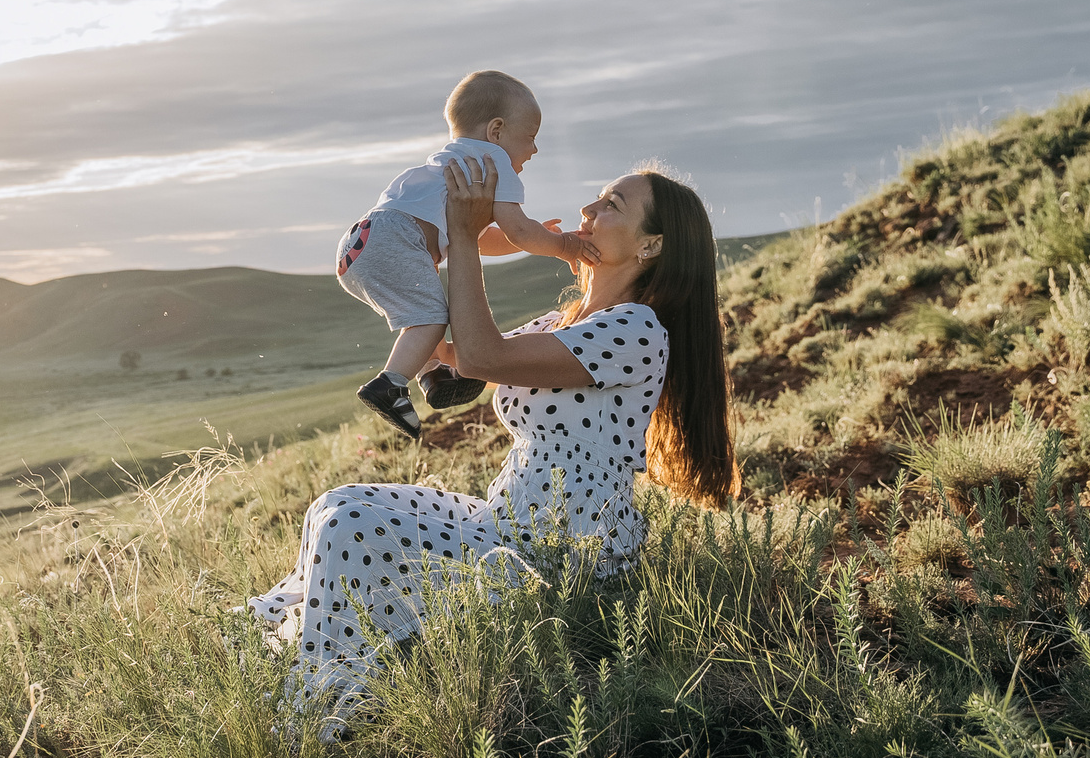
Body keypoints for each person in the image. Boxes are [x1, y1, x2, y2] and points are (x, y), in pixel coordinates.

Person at [248, 152, 738, 719]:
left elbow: (485, 353)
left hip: (565, 552)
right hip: (505, 522)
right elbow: (460, 361)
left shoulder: (635, 328)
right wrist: (408, 260)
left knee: (352, 525)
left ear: (651, 245)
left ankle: (324, 700)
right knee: (336, 504)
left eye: (612, 204)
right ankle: (293, 654)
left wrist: (464, 230)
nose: (589, 208)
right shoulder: (564, 321)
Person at [338, 71, 592, 441]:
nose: (534, 150)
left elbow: (480, 238)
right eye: (531, 137)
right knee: (431, 317)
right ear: (497, 130)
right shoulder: (491, 162)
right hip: (395, 238)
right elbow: (517, 229)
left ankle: (435, 373)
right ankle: (390, 385)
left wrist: (535, 237)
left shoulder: (445, 163)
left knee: (421, 315)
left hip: (358, 245)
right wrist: (566, 246)